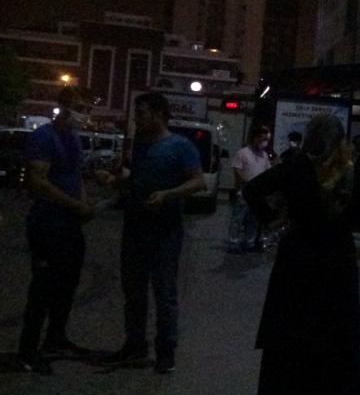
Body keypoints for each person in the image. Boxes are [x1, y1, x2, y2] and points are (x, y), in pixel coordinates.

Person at [242, 114, 360, 395]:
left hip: (298, 257)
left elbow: (252, 190)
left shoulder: (295, 166)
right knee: (340, 329)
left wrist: (272, 218)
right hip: (337, 257)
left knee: (293, 330)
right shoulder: (349, 170)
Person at [99, 92, 206, 374]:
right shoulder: (141, 145)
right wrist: (116, 181)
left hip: (165, 232)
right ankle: (135, 345)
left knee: (164, 292)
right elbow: (136, 181)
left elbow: (198, 183)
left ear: (159, 114)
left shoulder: (180, 146)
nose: (136, 119)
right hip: (135, 227)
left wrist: (168, 194)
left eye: (141, 113)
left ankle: (166, 352)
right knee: (133, 291)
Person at [13, 87, 96, 375]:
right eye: (80, 108)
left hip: (69, 225)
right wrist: (76, 205)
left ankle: (55, 338)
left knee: (67, 285)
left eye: (87, 109)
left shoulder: (73, 139)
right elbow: (38, 181)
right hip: (47, 224)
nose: (84, 115)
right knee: (43, 288)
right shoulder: (44, 137)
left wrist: (83, 205)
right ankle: (27, 352)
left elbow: (75, 176)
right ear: (63, 106)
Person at [228, 125, 274, 254]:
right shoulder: (243, 153)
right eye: (261, 139)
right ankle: (233, 243)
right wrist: (246, 183)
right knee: (238, 219)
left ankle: (250, 242)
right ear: (254, 138)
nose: (264, 142)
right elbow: (236, 169)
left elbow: (267, 172)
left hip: (257, 195)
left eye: (266, 140)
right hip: (244, 192)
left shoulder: (264, 156)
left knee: (253, 220)